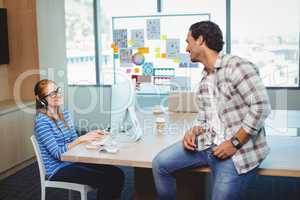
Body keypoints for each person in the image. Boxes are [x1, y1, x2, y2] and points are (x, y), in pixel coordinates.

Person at [152, 21, 271, 200]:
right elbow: (206, 120)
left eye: (188, 41)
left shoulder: (236, 66)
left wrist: (234, 143)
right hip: (208, 144)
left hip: (237, 152)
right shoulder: (204, 80)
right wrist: (194, 130)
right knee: (160, 164)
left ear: (200, 40)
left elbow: (261, 106)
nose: (186, 48)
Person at [34, 79, 124, 200]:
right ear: (41, 100)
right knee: (107, 180)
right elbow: (58, 154)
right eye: (51, 94)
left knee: (117, 174)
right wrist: (81, 139)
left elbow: (74, 140)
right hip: (57, 169)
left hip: (72, 161)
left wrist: (91, 136)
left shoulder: (64, 114)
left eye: (57, 90)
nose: (57, 95)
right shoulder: (42, 122)